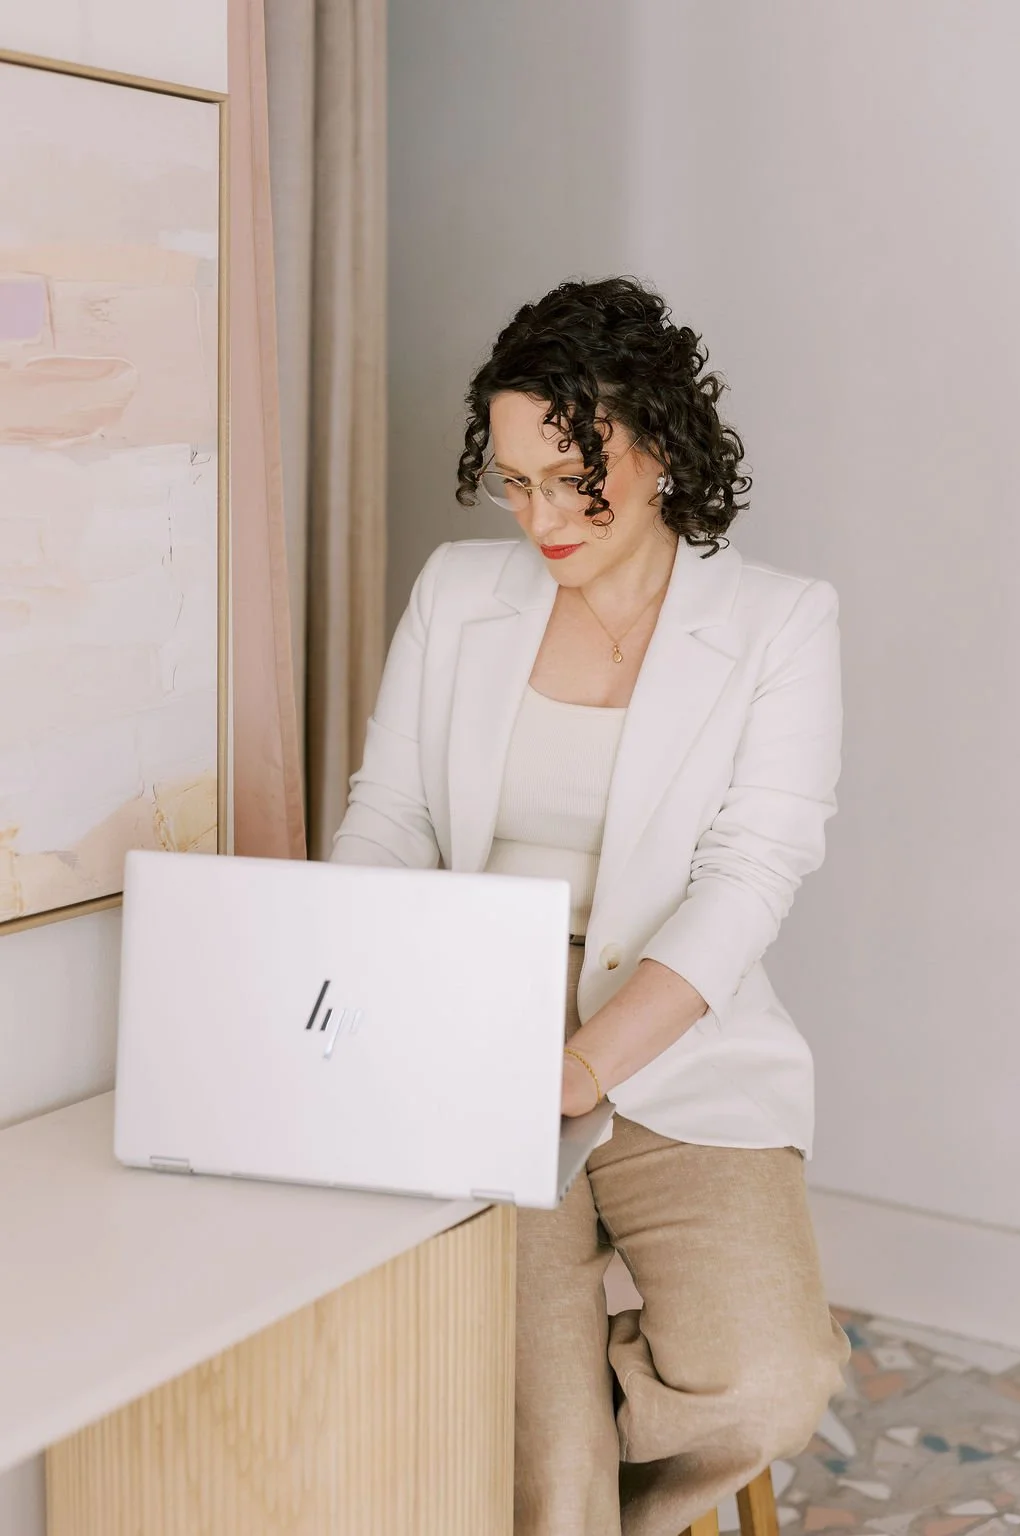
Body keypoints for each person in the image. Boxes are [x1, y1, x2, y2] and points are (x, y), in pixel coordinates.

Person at [331, 275, 851, 1536]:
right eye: (514, 482)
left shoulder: (778, 623)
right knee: (543, 1451)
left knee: (767, 1381)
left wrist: (581, 1068)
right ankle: (538, 1481)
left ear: (660, 445)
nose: (543, 518)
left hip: (668, 1031)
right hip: (468, 1021)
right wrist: (356, 988)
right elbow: (390, 817)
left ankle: (536, 1492)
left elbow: (749, 875)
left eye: (577, 479)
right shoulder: (459, 597)